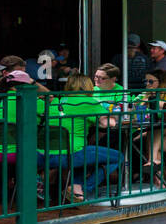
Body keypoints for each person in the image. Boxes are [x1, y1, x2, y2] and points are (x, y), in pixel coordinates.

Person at [49, 72, 123, 201]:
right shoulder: (88, 102)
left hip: (46, 153)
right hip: (70, 154)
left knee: (90, 152)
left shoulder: (57, 100)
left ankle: (75, 186)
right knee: (118, 157)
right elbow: (108, 123)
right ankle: (84, 188)